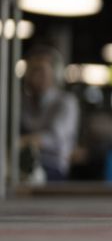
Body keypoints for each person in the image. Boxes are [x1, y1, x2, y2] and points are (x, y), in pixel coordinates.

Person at [20, 46, 80, 181]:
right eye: (31, 71)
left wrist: (23, 142)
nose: (34, 76)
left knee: (34, 178)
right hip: (21, 163)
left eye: (40, 71)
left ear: (55, 74)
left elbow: (54, 139)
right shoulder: (23, 101)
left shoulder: (66, 102)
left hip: (53, 167)